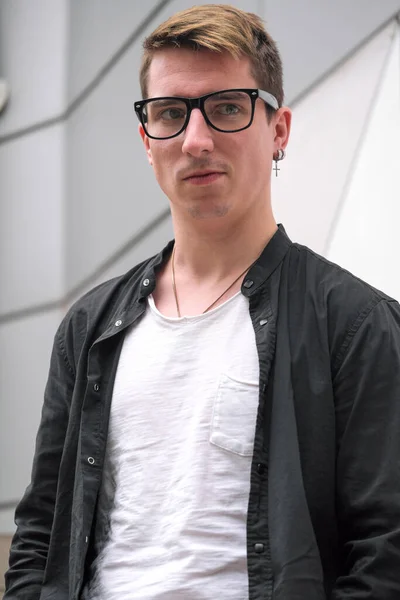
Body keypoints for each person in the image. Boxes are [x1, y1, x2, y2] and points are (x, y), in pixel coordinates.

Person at [4, 4, 400, 599]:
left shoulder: (355, 324)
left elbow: (385, 551)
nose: (195, 139)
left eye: (227, 108)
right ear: (146, 139)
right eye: (169, 113)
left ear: (279, 130)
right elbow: (40, 535)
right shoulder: (89, 327)